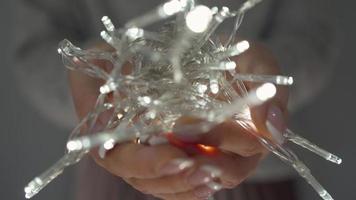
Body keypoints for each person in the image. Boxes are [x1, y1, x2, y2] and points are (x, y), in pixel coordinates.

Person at [15, 0, 339, 199]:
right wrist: (96, 94)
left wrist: (266, 81)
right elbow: (34, 47)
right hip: (116, 167)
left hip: (256, 173)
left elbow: (312, 34)